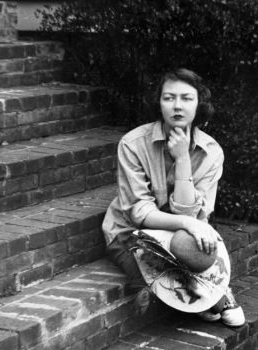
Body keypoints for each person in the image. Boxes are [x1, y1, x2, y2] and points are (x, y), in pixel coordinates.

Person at [101, 68, 245, 327]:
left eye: (187, 98)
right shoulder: (133, 143)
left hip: (181, 234)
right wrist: (188, 224)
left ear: (199, 103)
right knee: (161, 279)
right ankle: (212, 295)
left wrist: (182, 160)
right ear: (159, 102)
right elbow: (139, 213)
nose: (177, 106)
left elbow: (193, 217)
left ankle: (212, 289)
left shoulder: (211, 152)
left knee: (193, 249)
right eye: (169, 98)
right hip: (130, 232)